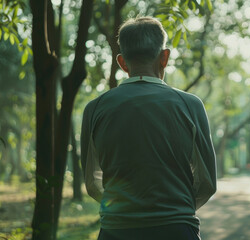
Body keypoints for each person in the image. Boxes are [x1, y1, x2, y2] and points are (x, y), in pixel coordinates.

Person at [80, 17, 217, 240]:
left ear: (122, 62)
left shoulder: (94, 109)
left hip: (117, 231)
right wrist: (175, 208)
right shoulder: (190, 106)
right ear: (164, 57)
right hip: (177, 230)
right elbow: (208, 183)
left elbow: (92, 183)